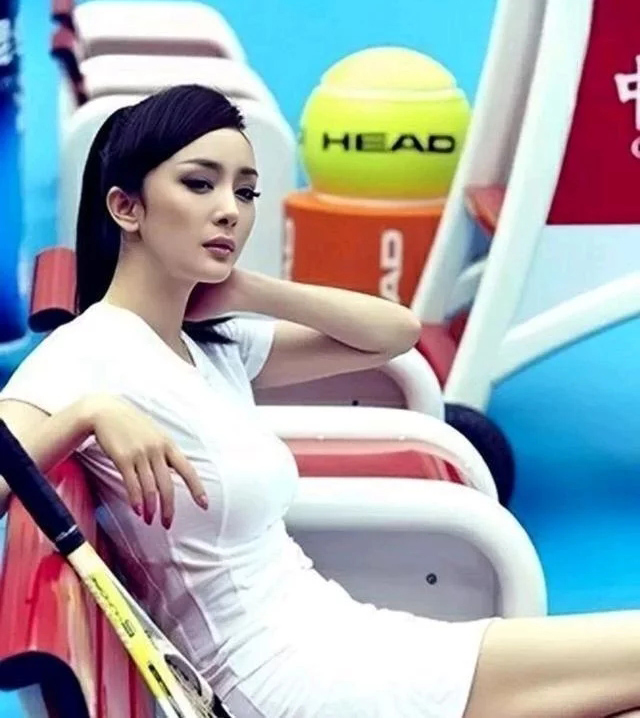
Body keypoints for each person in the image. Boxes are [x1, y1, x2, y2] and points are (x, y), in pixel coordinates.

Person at [0, 85, 639, 718]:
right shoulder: (87, 354)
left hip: (340, 638)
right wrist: (85, 415)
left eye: (245, 192)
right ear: (126, 207)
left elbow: (394, 334)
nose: (229, 211)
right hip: (282, 682)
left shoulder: (211, 344)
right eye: (199, 184)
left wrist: (249, 289)